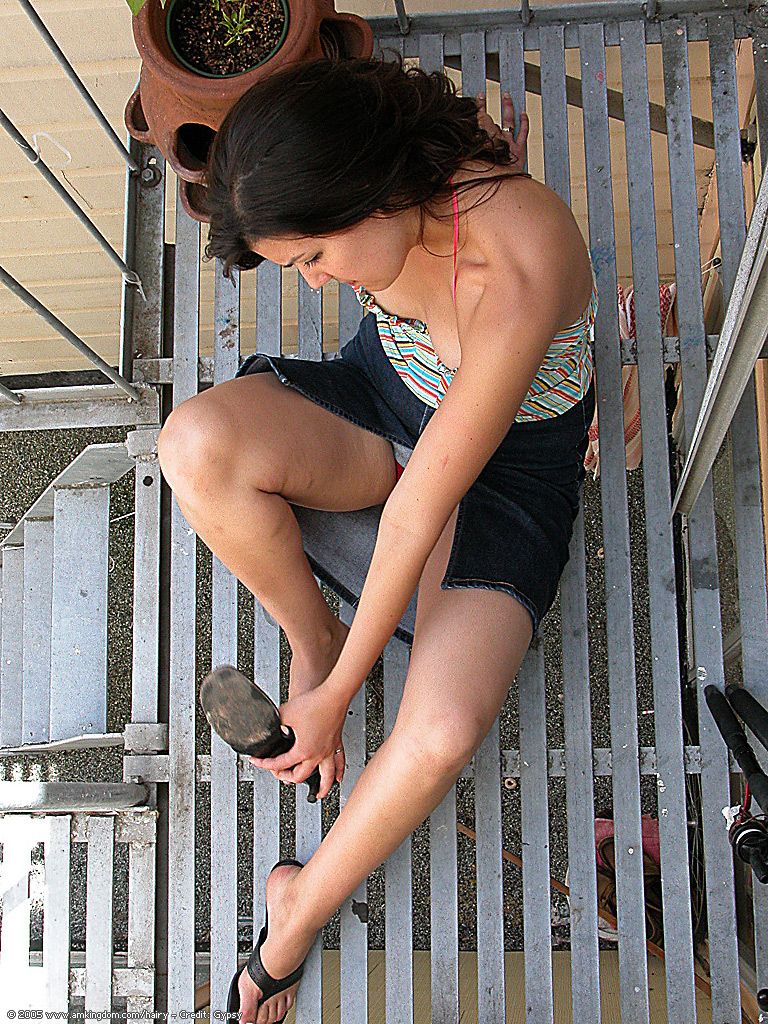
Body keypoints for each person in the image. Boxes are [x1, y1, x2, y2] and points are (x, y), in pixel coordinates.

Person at [157, 54, 596, 1024]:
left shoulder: (514, 263)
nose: (316, 282)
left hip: (507, 474)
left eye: (314, 257)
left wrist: (345, 699)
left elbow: (417, 513)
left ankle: (294, 917)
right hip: (387, 395)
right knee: (192, 444)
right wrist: (330, 674)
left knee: (439, 731)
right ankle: (312, 639)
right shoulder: (389, 164)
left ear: (369, 191)